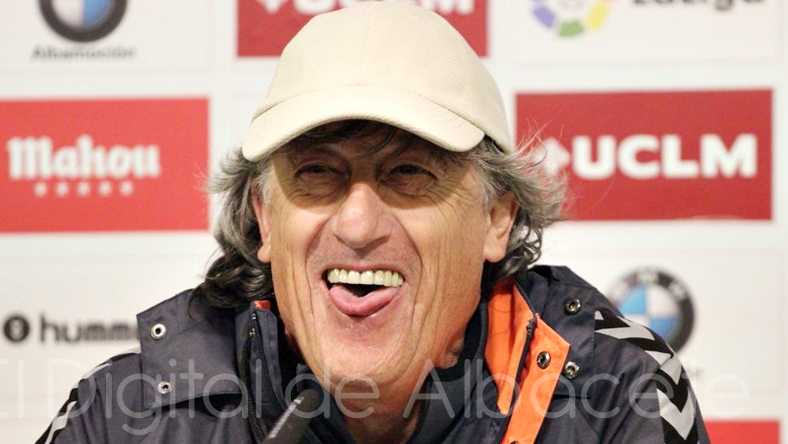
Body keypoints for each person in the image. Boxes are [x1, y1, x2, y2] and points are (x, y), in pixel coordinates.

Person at [37, 2, 709, 443]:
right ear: (264, 220)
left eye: (409, 173)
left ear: (496, 220)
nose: (358, 225)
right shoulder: (129, 415)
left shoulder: (614, 396)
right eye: (318, 173)